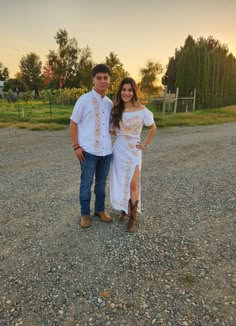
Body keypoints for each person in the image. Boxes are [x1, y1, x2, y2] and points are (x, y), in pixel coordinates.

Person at [110, 77, 157, 232]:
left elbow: (153, 128)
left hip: (134, 150)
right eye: (124, 89)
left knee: (133, 183)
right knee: (121, 180)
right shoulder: (116, 109)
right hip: (119, 149)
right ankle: (123, 209)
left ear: (134, 91)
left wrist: (146, 144)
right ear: (120, 91)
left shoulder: (142, 110)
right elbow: (112, 130)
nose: (126, 93)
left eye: (130, 90)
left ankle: (133, 217)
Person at [70, 64, 113, 228]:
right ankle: (84, 214)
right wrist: (76, 146)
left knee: (101, 184)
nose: (102, 81)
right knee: (86, 184)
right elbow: (73, 124)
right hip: (88, 151)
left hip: (106, 151)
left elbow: (110, 127)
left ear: (109, 80)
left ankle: (100, 210)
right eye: (99, 78)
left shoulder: (109, 103)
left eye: (105, 78)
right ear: (93, 80)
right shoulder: (84, 100)